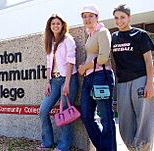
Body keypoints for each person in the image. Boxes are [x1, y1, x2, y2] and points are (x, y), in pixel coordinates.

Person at [111, 4, 154, 151]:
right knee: (125, 122)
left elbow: (149, 61)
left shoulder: (140, 35)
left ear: (129, 17)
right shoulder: (113, 37)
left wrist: (150, 84)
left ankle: (143, 148)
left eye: (122, 17)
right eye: (116, 18)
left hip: (141, 80)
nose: (119, 21)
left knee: (144, 119)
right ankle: (133, 148)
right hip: (123, 83)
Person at [78, 5, 117, 151]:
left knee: (106, 117)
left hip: (102, 76)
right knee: (87, 116)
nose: (87, 19)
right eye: (84, 16)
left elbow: (103, 58)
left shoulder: (102, 31)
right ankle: (103, 147)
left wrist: (84, 67)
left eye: (90, 15)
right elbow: (92, 56)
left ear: (97, 17)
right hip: (89, 78)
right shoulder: (90, 34)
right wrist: (85, 67)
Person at [37, 14, 78, 151]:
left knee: (65, 111)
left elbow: (71, 62)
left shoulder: (68, 40)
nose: (55, 26)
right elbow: (49, 64)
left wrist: (67, 83)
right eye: (53, 24)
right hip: (54, 80)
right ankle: (47, 142)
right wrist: (48, 82)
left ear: (62, 25)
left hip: (68, 79)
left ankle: (63, 145)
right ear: (50, 26)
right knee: (43, 110)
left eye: (58, 23)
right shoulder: (50, 41)